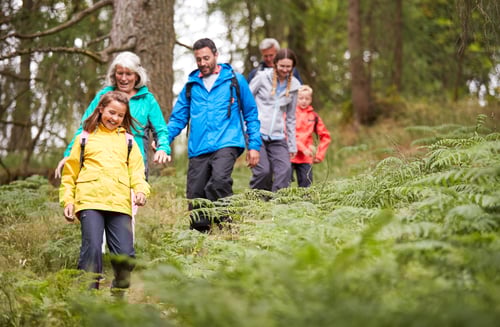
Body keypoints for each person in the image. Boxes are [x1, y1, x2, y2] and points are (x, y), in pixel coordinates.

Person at [167, 38, 261, 233]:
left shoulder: (234, 80)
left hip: (227, 141)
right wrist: (163, 141)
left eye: (206, 58)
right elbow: (178, 119)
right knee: (196, 195)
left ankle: (228, 226)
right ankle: (200, 239)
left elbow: (251, 113)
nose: (202, 63)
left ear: (216, 55)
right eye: (199, 59)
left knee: (219, 181)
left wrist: (254, 145)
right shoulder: (191, 86)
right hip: (198, 147)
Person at [59, 91, 150, 291]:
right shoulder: (84, 138)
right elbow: (70, 174)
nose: (114, 118)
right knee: (91, 250)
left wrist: (141, 191)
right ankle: (89, 298)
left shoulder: (128, 141)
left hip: (119, 204)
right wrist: (68, 201)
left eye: (120, 115)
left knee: (125, 256)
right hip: (90, 201)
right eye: (111, 112)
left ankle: (119, 287)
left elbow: (137, 172)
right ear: (100, 110)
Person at [55, 51, 171, 179]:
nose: (123, 78)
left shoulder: (147, 100)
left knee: (135, 198)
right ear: (114, 74)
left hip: (135, 165)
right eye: (120, 73)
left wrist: (163, 148)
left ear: (137, 76)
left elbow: (161, 131)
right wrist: (70, 154)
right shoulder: (103, 96)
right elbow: (85, 127)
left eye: (128, 74)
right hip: (102, 162)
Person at [249, 48, 301, 192]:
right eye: (282, 66)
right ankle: (256, 204)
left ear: (292, 67)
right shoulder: (261, 77)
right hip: (257, 132)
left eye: (288, 67)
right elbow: (246, 101)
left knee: (285, 170)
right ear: (275, 64)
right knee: (263, 172)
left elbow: (290, 118)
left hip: (278, 136)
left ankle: (276, 208)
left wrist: (292, 145)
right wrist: (244, 128)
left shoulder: (295, 86)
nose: (285, 69)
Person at [291, 85, 331, 187]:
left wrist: (319, 155)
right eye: (301, 98)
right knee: (283, 186)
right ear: (296, 98)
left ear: (311, 99)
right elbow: (287, 133)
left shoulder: (314, 116)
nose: (304, 101)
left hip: (306, 158)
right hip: (289, 155)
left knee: (306, 187)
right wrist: (302, 148)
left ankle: (304, 202)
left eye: (307, 98)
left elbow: (325, 136)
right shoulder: (289, 114)